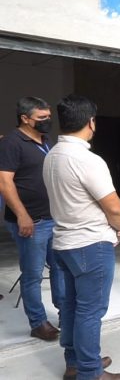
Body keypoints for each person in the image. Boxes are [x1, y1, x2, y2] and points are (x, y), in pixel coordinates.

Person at [43, 94, 120, 380]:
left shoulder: (52, 155)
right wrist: (119, 226)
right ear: (91, 122)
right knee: (90, 311)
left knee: (70, 306)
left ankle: (75, 363)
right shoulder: (86, 159)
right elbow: (114, 207)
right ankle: (91, 371)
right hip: (90, 244)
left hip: (63, 243)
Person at [0, 97, 65, 341]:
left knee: (60, 267)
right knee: (33, 274)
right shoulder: (11, 143)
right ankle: (38, 322)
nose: (47, 122)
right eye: (41, 118)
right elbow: (4, 182)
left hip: (52, 217)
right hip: (32, 221)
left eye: (49, 117)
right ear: (25, 119)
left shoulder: (45, 141)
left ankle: (64, 311)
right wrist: (22, 215)